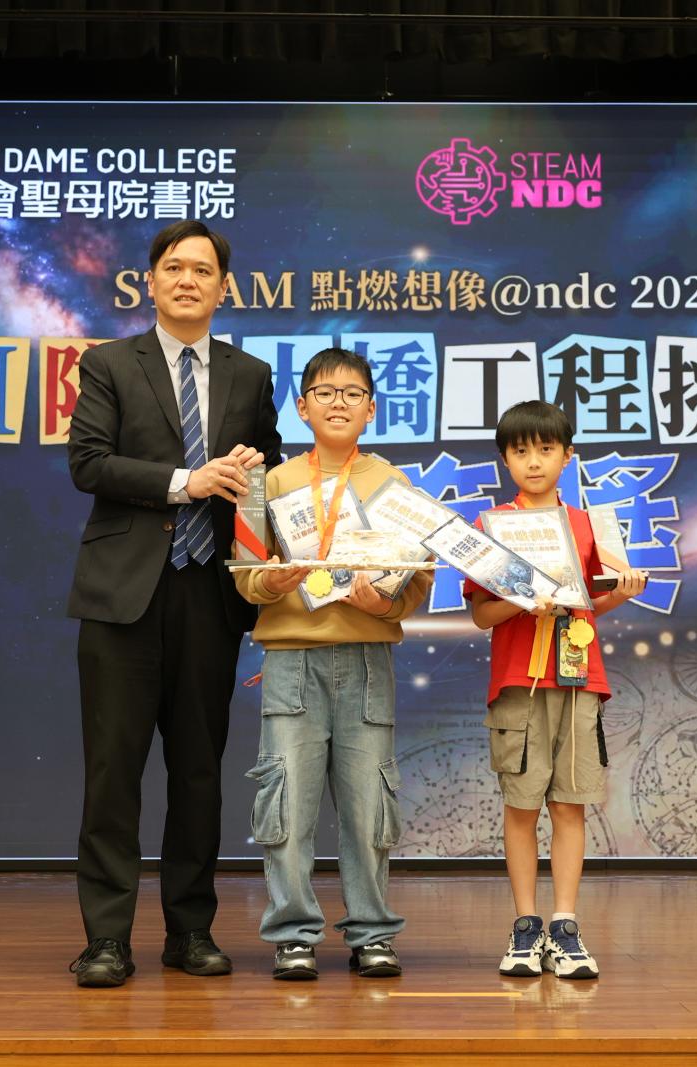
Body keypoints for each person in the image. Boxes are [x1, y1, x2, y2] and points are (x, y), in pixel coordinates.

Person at [65, 220, 282, 988]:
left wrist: (255, 469)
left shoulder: (250, 374)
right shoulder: (108, 364)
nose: (188, 279)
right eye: (174, 267)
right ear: (150, 282)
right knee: (112, 772)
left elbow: (268, 476)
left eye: (203, 270)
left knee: (198, 773)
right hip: (123, 594)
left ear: (225, 287)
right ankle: (106, 939)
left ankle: (191, 931)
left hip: (209, 594)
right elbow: (88, 463)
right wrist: (186, 481)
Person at [234, 348, 431, 981]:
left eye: (352, 393)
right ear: (302, 407)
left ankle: (372, 932)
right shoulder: (274, 483)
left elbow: (419, 579)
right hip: (292, 661)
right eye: (324, 392)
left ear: (372, 408)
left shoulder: (395, 486)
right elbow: (246, 574)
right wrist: (272, 581)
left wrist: (386, 601)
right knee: (286, 804)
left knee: (370, 807)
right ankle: (293, 934)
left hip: (368, 660)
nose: (338, 402)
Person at [464, 400, 647, 980]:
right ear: (505, 459)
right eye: (521, 451)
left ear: (568, 456)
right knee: (521, 806)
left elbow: (592, 602)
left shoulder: (590, 526)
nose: (534, 461)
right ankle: (525, 926)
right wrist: (522, 600)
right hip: (517, 681)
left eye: (546, 449)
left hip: (576, 679)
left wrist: (623, 591)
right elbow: (482, 616)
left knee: (570, 804)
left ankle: (565, 926)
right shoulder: (491, 528)